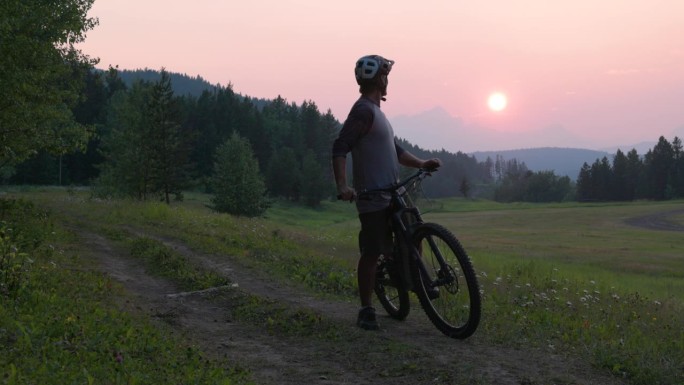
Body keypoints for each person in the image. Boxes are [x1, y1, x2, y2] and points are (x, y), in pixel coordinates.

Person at [331, 55, 442, 330]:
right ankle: (366, 309)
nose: (388, 80)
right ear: (379, 79)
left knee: (413, 230)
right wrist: (343, 187)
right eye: (385, 75)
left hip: (392, 192)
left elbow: (397, 151)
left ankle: (411, 278)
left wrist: (421, 163)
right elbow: (340, 147)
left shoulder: (378, 113)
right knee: (372, 251)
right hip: (372, 196)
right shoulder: (363, 112)